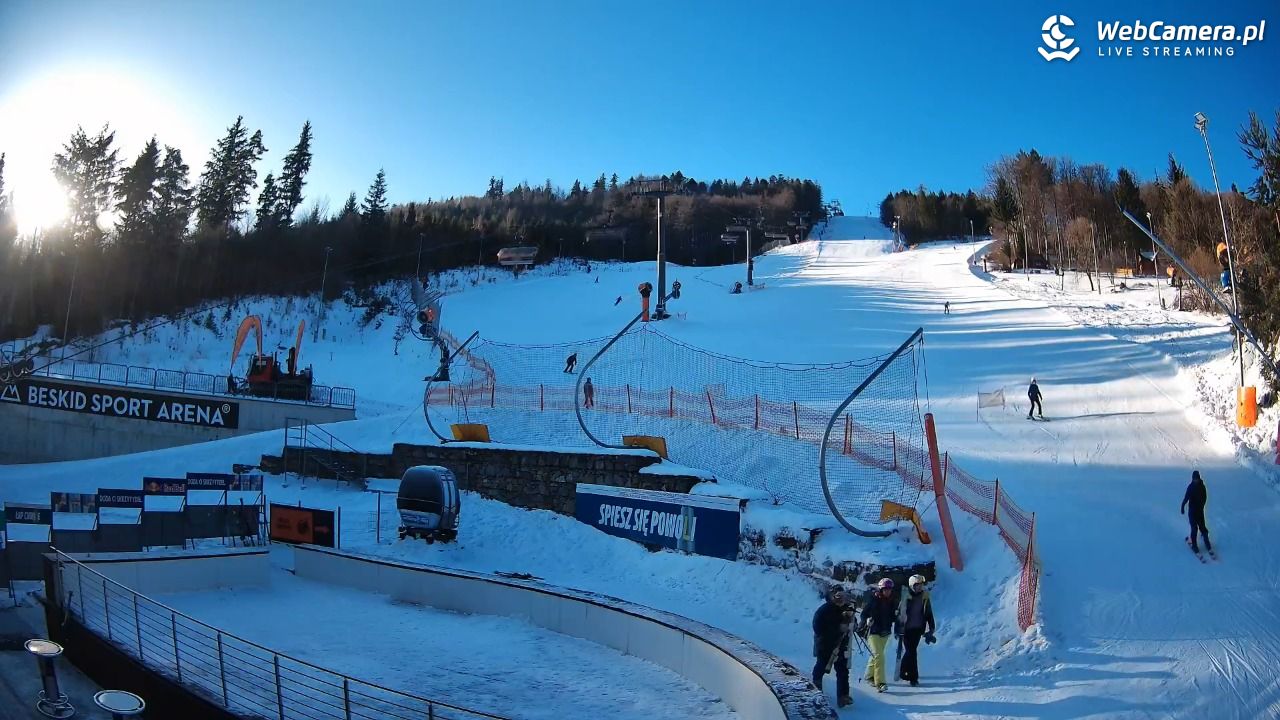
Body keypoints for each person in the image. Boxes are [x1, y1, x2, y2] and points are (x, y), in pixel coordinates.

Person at [812, 587, 854, 708]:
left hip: (841, 645)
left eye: (843, 597)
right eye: (838, 597)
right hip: (825, 644)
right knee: (821, 666)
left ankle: (843, 696)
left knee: (842, 670)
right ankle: (816, 689)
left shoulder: (846, 610)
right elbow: (817, 627)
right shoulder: (824, 610)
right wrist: (837, 630)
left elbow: (852, 627)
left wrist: (850, 622)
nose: (841, 599)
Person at [859, 578, 899, 692]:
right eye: (885, 589)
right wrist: (866, 620)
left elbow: (892, 617)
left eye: (889, 589)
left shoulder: (892, 601)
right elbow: (863, 614)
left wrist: (898, 617)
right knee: (879, 656)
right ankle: (880, 683)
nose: (888, 591)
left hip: (885, 632)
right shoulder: (874, 600)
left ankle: (868, 675)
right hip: (873, 632)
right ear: (881, 589)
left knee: (876, 655)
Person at [895, 574, 936, 686]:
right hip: (906, 629)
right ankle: (913, 677)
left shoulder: (924, 597)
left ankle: (904, 672)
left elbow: (929, 613)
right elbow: (899, 614)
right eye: (917, 585)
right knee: (911, 652)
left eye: (921, 585)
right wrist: (897, 629)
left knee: (911, 652)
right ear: (912, 585)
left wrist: (932, 628)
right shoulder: (906, 597)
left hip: (918, 629)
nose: (920, 587)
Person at [1182, 470, 1212, 553]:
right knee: (1194, 528)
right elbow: (1186, 498)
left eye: (1197, 479)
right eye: (1194, 479)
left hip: (1199, 511)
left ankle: (1207, 543)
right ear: (1192, 479)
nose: (1196, 480)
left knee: (1202, 527)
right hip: (1192, 511)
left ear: (1199, 478)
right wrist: (1182, 506)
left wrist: (1202, 505)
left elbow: (1205, 497)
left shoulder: (1202, 487)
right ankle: (1194, 545)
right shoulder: (1191, 487)